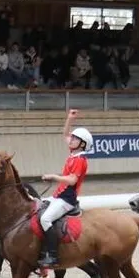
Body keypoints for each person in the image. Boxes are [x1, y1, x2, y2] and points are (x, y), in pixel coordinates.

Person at [38, 109, 91, 268]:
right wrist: (70, 118)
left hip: (67, 199)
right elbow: (65, 134)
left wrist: (54, 177)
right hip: (58, 195)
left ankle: (53, 256)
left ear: (82, 144)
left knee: (45, 219)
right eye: (73, 138)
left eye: (75, 139)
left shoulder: (80, 160)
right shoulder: (73, 154)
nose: (71, 139)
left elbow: (72, 180)